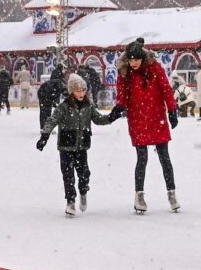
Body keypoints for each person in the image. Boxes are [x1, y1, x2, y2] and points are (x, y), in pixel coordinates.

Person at [112, 38, 181, 214]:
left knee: (164, 157)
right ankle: (139, 195)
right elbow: (122, 94)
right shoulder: (125, 72)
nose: (133, 63)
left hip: (157, 117)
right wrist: (119, 107)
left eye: (136, 59)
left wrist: (172, 109)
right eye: (131, 60)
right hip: (138, 119)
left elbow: (165, 89)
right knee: (142, 158)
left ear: (142, 58)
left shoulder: (155, 68)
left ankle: (171, 193)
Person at [36, 72, 119, 217]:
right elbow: (52, 120)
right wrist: (45, 136)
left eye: (83, 90)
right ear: (71, 91)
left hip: (82, 146)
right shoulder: (64, 107)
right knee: (68, 175)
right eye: (78, 90)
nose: (81, 93)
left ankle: (83, 191)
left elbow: (98, 119)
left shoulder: (88, 106)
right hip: (66, 146)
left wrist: (112, 117)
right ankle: (70, 201)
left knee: (84, 174)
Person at [37, 63, 66, 129]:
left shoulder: (59, 85)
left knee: (48, 111)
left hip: (46, 93)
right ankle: (43, 127)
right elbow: (51, 95)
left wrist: (54, 103)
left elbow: (54, 96)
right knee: (44, 111)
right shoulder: (58, 86)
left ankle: (46, 127)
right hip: (43, 94)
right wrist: (53, 103)